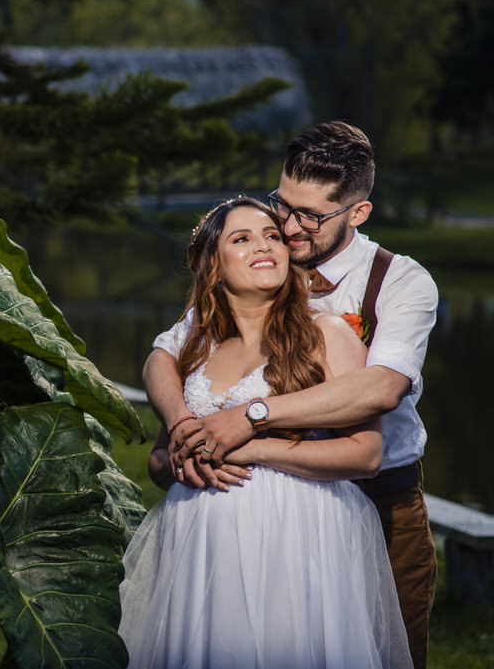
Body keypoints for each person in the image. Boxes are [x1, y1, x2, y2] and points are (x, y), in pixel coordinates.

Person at [143, 121, 438, 669]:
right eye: (284, 204)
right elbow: (166, 354)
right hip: (226, 523)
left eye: (312, 216)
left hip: (378, 500)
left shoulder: (399, 282)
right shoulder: (250, 270)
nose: (288, 226)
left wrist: (249, 421)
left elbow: (382, 387)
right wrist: (185, 426)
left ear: (358, 213)